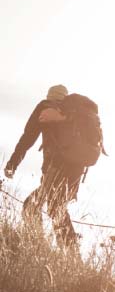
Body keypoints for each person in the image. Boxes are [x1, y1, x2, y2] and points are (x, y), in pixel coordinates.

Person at [4, 85, 81, 248]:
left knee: (32, 207)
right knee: (57, 209)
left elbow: (28, 137)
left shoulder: (45, 107)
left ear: (49, 96)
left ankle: (38, 247)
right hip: (76, 172)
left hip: (55, 168)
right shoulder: (75, 115)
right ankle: (69, 253)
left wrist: (12, 163)